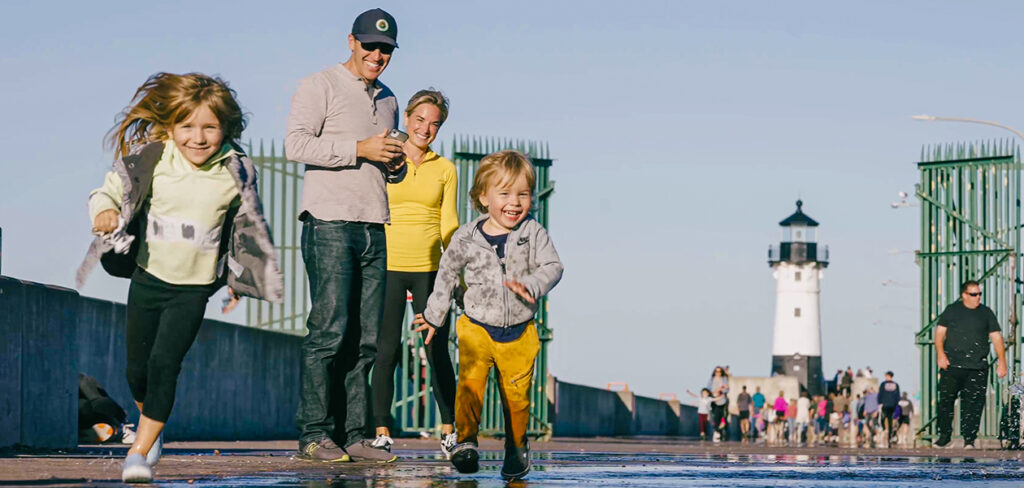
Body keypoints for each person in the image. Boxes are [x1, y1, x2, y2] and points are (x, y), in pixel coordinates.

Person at [80, 72, 283, 482]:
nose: (198, 137)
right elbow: (107, 191)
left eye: (210, 127)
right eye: (187, 126)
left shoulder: (237, 170)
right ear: (171, 126)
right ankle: (149, 426)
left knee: (164, 363)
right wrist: (103, 213)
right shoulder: (153, 158)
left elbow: (248, 228)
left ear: (225, 128)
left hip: (193, 289)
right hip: (148, 276)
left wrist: (241, 279)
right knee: (136, 371)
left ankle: (138, 453)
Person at [285, 8, 407, 463]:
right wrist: (360, 149)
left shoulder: (391, 98)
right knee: (329, 333)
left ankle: (355, 436)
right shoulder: (319, 84)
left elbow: (381, 165)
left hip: (375, 224)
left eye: (386, 49)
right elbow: (295, 144)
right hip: (329, 222)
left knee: (366, 339)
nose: (378, 55)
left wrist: (393, 165)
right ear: (351, 42)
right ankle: (314, 435)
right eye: (370, 45)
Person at [413, 150, 563, 481]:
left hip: (521, 332)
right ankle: (466, 441)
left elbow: (554, 266)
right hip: (476, 325)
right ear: (483, 196)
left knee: (517, 399)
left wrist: (533, 284)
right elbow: (447, 276)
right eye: (505, 193)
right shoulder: (466, 236)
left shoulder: (533, 232)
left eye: (523, 194)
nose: (515, 202)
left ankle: (516, 449)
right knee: (470, 384)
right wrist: (434, 316)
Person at [370, 89, 459, 457]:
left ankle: (450, 429)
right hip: (388, 268)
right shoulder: (385, 158)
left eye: (434, 123)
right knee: (385, 350)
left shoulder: (445, 168)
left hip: (429, 271)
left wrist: (455, 276)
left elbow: (449, 224)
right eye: (420, 120)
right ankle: (381, 430)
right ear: (406, 118)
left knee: (435, 348)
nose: (426, 128)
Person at [934, 280, 1008, 449]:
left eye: (979, 294)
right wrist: (940, 354)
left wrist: (1002, 362)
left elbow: (996, 337)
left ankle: (969, 440)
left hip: (977, 367)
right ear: (964, 295)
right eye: (974, 294)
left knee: (973, 404)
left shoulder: (986, 313)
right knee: (946, 401)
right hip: (952, 366)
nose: (978, 298)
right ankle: (944, 436)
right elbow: (939, 333)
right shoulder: (952, 311)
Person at [877, 371, 901, 447]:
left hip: (885, 405)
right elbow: (898, 395)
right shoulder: (896, 385)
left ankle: (885, 430)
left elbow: (880, 394)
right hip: (892, 405)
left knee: (883, 418)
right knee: (890, 419)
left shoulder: (883, 384)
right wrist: (896, 403)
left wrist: (880, 402)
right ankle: (889, 434)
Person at [707, 366, 730, 441]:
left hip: (722, 400)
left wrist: (723, 389)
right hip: (714, 400)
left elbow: (727, 389)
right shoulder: (712, 379)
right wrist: (715, 392)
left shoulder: (724, 379)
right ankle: (716, 431)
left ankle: (720, 431)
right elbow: (708, 390)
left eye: (719, 371)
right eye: (716, 371)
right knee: (715, 416)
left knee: (722, 417)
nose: (718, 373)